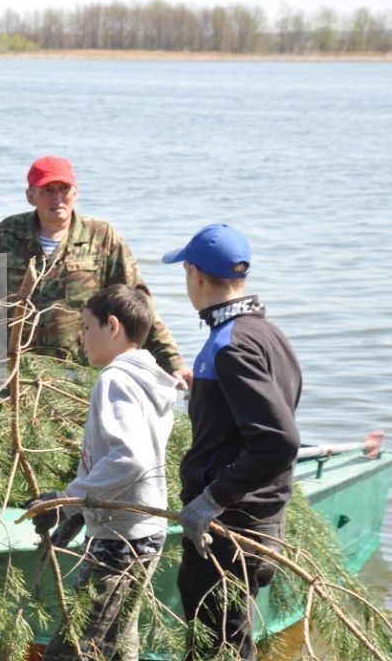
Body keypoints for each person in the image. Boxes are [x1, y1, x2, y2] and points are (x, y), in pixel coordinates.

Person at [162, 223, 301, 661]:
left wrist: (211, 500)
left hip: (229, 529)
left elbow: (278, 440)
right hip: (259, 521)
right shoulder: (266, 333)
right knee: (229, 643)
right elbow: (255, 419)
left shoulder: (229, 344)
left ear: (194, 273)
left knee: (217, 650)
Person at [30, 284, 177, 661]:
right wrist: (78, 514)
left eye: (86, 327)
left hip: (120, 541)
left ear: (112, 326)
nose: (82, 338)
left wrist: (68, 498)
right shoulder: (151, 377)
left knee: (73, 651)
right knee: (119, 646)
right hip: (144, 532)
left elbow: (130, 459)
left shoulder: (115, 378)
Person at [0, 156, 190, 387]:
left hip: (79, 375)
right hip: (15, 372)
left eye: (64, 189)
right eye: (48, 190)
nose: (58, 198)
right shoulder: (7, 235)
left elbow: (137, 306)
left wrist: (173, 363)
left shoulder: (101, 237)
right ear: (31, 196)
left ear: (76, 192)